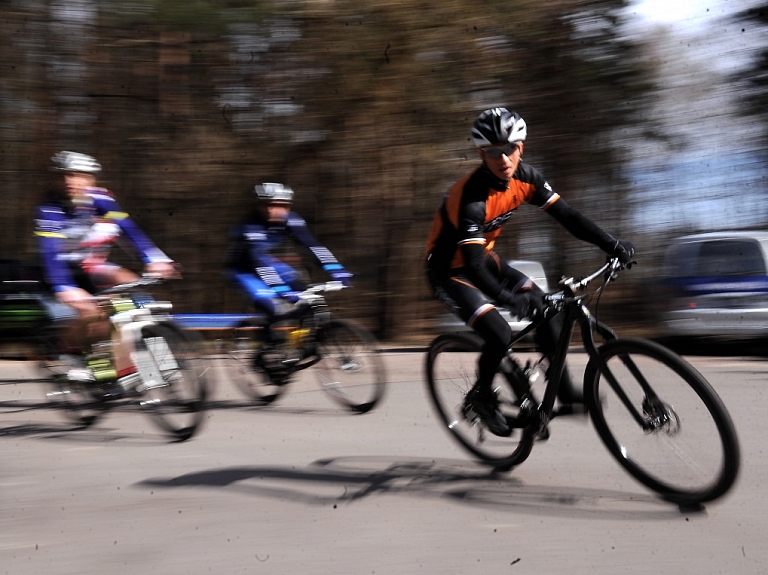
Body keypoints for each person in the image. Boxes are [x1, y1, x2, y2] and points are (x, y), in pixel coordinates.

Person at [424, 108, 635, 436]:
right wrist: (508, 299)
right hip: (450, 272)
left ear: (521, 147)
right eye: (493, 151)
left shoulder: (528, 179)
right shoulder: (471, 197)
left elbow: (568, 216)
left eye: (509, 148)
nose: (502, 157)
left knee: (546, 308)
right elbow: (474, 267)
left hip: (486, 259)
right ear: (481, 154)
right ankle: (481, 397)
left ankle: (562, 390)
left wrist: (612, 244)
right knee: (499, 332)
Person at [35, 151, 179, 386]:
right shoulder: (49, 208)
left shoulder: (100, 199)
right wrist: (64, 287)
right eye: (66, 176)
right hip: (60, 271)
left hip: (90, 265)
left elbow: (129, 229)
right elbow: (50, 253)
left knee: (134, 291)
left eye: (80, 176)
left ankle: (160, 365)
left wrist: (155, 258)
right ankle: (71, 356)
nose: (72, 182)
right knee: (92, 312)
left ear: (92, 180)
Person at [224, 181, 352, 326]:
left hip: (266, 262)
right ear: (261, 206)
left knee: (305, 294)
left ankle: (307, 343)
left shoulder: (291, 220)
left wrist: (336, 269)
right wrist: (281, 289)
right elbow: (256, 260)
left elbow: (312, 245)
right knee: (271, 306)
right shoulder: (251, 226)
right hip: (243, 270)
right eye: (273, 205)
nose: (279, 210)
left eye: (284, 206)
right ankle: (271, 343)